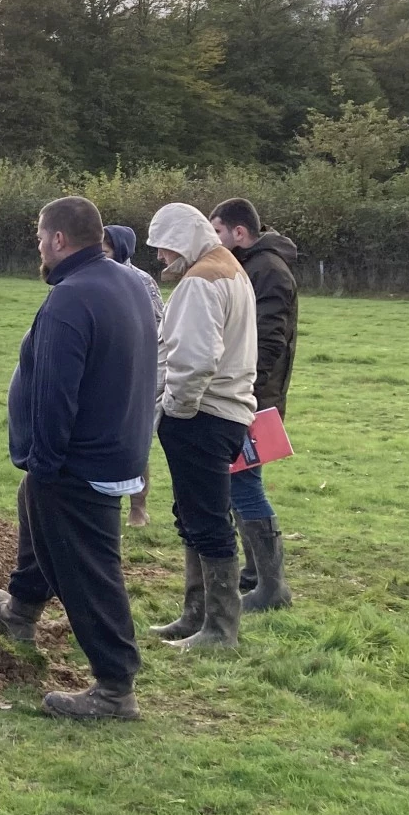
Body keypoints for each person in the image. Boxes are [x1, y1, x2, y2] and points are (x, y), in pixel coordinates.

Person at [0, 196, 157, 718]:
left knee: (89, 570)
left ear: (59, 239)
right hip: (117, 445)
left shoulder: (70, 300)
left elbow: (55, 393)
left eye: (40, 238)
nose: (38, 247)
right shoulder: (127, 282)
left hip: (80, 461)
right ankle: (22, 607)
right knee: (32, 508)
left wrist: (46, 463)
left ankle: (114, 687)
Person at [145, 202, 258, 650]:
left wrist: (176, 408)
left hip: (202, 415)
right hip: (223, 413)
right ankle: (196, 615)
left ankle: (218, 629)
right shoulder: (227, 267)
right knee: (194, 511)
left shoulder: (199, 281)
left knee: (207, 518)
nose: (160, 257)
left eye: (165, 246)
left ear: (184, 240)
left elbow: (193, 361)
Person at [210, 197, 298, 612]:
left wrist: (245, 396)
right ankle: (254, 575)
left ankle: (271, 588)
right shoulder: (254, 267)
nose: (214, 242)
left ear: (239, 233)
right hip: (250, 396)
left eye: (217, 233)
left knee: (244, 485)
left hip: (253, 402)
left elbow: (268, 342)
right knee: (234, 484)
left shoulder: (267, 271)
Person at [103, 224, 164, 529]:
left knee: (134, 440)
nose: (101, 253)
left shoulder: (141, 281)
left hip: (135, 369)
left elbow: (158, 324)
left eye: (106, 248)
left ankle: (137, 508)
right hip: (102, 370)